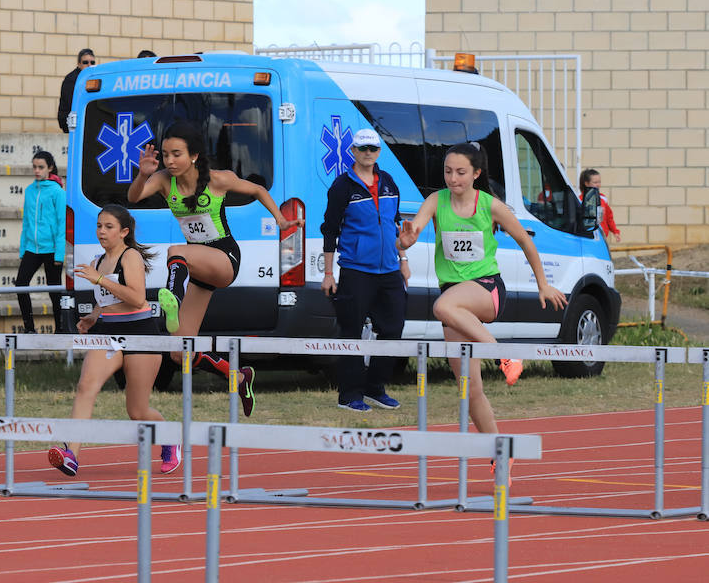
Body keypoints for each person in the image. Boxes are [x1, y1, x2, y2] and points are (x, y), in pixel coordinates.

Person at [127, 121, 304, 417]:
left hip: (223, 258)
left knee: (175, 251)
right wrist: (143, 174)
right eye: (166, 155)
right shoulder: (161, 180)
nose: (170, 161)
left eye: (177, 154)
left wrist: (280, 220)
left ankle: (171, 297)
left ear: (194, 156)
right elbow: (133, 198)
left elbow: (259, 190)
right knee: (179, 350)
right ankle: (238, 376)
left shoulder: (218, 180)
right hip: (195, 266)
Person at [401, 143, 567, 455]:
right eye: (448, 172)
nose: (453, 178)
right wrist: (406, 240)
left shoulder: (491, 206)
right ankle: (500, 455)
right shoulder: (436, 201)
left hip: (486, 289)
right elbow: (414, 229)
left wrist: (543, 285)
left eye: (461, 172)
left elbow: (525, 242)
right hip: (454, 298)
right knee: (470, 389)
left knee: (442, 306)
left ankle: (503, 354)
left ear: (476, 173)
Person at [48, 205, 180, 476]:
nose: (101, 232)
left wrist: (100, 280)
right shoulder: (98, 260)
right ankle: (71, 454)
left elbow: (137, 298)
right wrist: (92, 317)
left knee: (137, 410)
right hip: (108, 334)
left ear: (124, 232)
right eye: (99, 226)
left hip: (140, 334)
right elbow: (107, 301)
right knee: (86, 385)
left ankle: (169, 437)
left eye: (108, 227)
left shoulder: (130, 257)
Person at [320, 129, 410, 412]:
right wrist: (328, 273)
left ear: (379, 152)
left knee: (393, 328)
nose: (368, 153)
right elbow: (330, 230)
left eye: (373, 149)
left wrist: (404, 259)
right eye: (362, 149)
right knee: (352, 331)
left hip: (389, 270)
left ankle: (375, 388)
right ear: (354, 152)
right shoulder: (342, 187)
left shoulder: (389, 182)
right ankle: (349, 395)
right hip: (356, 269)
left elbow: (394, 224)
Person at [16, 150, 65, 333]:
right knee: (20, 285)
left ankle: (60, 329)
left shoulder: (58, 192)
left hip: (52, 249)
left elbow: (62, 224)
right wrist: (23, 250)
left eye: (41, 167)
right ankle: (29, 328)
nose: (37, 170)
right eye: (34, 167)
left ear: (50, 168)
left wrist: (59, 254)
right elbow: (26, 222)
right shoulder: (29, 190)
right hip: (32, 248)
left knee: (54, 291)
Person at [57, 49, 96, 133]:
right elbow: (73, 103)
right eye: (85, 62)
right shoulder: (72, 79)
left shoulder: (92, 78)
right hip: (72, 123)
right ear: (79, 64)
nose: (89, 65)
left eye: (92, 63)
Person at [579, 168, 621, 243]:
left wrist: (615, 231)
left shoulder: (603, 198)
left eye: (599, 182)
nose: (598, 184)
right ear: (586, 183)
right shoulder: (580, 200)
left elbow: (609, 217)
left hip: (602, 237)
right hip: (588, 238)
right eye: (595, 182)